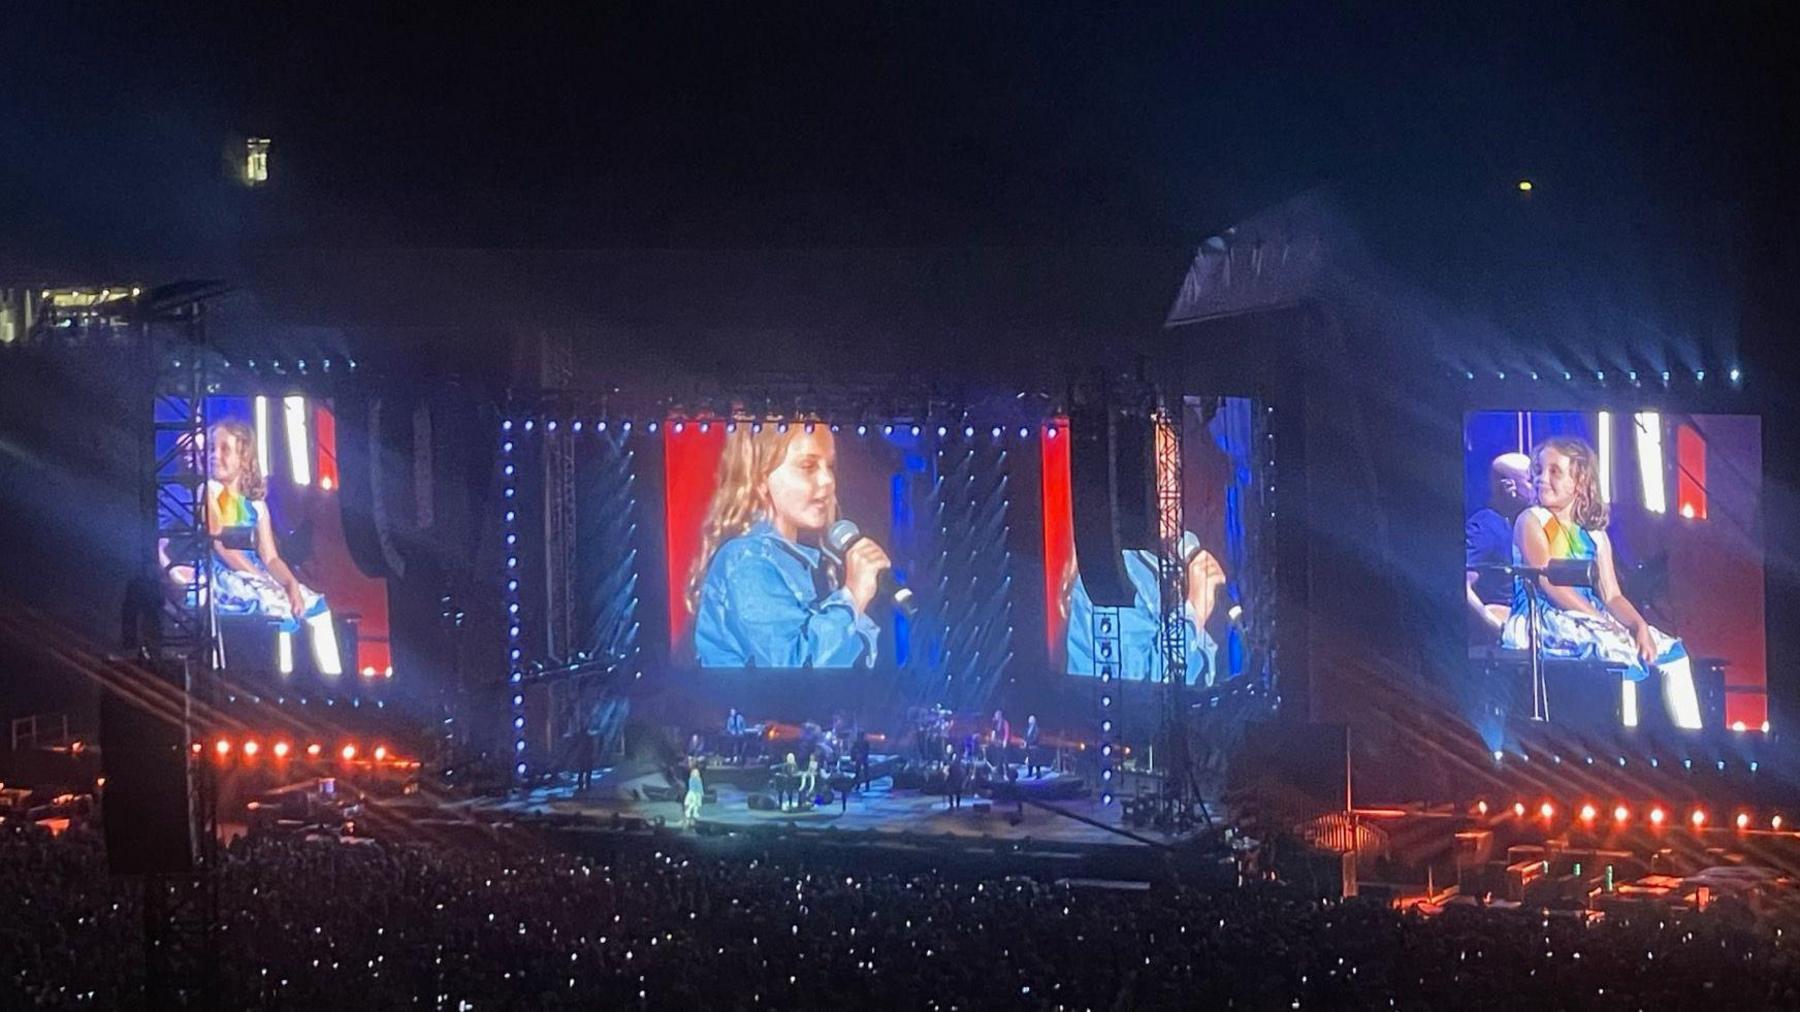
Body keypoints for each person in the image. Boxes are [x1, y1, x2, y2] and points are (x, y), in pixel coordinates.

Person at [1502, 436, 1703, 729]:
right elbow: (1550, 584)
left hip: (1591, 616)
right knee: (1617, 646)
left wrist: (1638, 625)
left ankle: (1691, 744)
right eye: (1539, 470)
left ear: (1580, 481)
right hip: (1545, 616)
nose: (1542, 479)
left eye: (1555, 471)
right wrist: (1601, 621)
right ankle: (1626, 738)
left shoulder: (1595, 536)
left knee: (1671, 654)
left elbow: (1612, 596)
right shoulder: (1532, 520)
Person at [689, 423, 891, 668]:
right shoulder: (748, 560)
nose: (827, 481)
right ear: (761, 477)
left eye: (830, 467)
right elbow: (792, 670)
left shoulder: (811, 564)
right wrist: (853, 596)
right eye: (808, 466)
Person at [205, 419, 344, 675]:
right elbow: (219, 543)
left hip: (257, 571)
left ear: (243, 458)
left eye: (224, 449)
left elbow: (270, 557)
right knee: (278, 608)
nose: (215, 456)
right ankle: (279, 679)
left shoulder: (256, 506)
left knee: (315, 607)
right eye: (211, 449)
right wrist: (261, 580)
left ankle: (331, 684)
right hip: (225, 571)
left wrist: (290, 583)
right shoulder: (209, 494)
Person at [1064, 534, 1225, 685]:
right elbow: (1144, 691)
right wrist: (1194, 612)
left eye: (1173, 501)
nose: (1166, 505)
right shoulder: (1110, 576)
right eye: (1156, 502)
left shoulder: (1166, 566)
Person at [1467, 452, 1535, 640]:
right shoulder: (1484, 527)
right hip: (1507, 639)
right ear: (1509, 487)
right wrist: (1495, 625)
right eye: (1530, 480)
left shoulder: (1526, 524)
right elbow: (1462, 584)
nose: (1536, 486)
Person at [682, 762, 704, 829]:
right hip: (693, 792)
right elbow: (693, 786)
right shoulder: (692, 780)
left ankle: (694, 813)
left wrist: (701, 792)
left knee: (696, 804)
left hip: (696, 793)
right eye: (695, 773)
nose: (696, 774)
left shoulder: (697, 779)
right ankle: (688, 812)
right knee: (693, 803)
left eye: (697, 773)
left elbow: (700, 786)